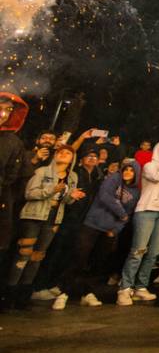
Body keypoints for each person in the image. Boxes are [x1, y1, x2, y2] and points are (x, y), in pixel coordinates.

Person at [6, 145, 84, 308]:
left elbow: (66, 200)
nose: (63, 154)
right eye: (61, 152)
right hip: (34, 216)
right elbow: (30, 193)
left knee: (38, 256)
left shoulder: (72, 177)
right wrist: (51, 189)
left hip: (53, 218)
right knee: (23, 255)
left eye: (68, 153)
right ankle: (8, 294)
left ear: (72, 159)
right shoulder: (42, 172)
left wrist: (72, 196)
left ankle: (23, 295)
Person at [62, 158, 141, 308]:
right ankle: (64, 292)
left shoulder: (135, 191)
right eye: (125, 169)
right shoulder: (113, 179)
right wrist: (121, 213)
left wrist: (116, 229)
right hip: (92, 223)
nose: (128, 172)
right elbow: (105, 196)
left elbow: (128, 214)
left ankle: (88, 293)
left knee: (98, 263)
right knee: (79, 257)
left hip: (109, 231)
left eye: (131, 170)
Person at [117, 139, 159, 306]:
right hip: (146, 211)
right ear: (158, 150)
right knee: (138, 250)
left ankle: (141, 286)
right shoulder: (150, 166)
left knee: (154, 252)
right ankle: (125, 288)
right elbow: (156, 177)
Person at [0, 93, 28, 294]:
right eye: (1, 107)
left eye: (9, 110)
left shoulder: (13, 142)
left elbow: (13, 175)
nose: (4, 113)